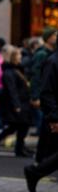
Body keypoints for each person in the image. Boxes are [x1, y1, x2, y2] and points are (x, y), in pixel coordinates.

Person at [24, 37, 58, 192]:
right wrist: (54, 118)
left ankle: (34, 172)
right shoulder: (52, 62)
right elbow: (47, 93)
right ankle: (34, 172)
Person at [0, 45, 33, 157]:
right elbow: (12, 90)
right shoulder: (9, 72)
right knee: (20, 126)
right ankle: (18, 148)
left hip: (22, 102)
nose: (20, 57)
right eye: (18, 55)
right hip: (16, 104)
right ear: (13, 57)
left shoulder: (17, 69)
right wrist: (17, 105)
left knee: (16, 127)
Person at [31, 27, 58, 162]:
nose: (55, 37)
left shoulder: (50, 53)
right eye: (53, 35)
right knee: (46, 128)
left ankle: (43, 160)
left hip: (48, 97)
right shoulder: (44, 55)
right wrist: (35, 96)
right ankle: (41, 161)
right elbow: (37, 76)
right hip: (47, 97)